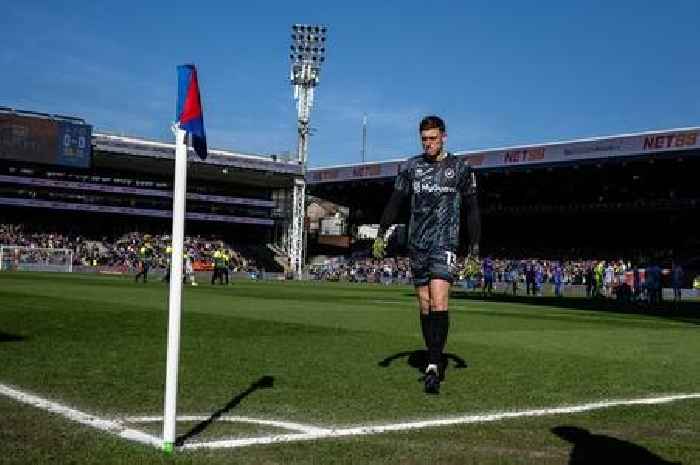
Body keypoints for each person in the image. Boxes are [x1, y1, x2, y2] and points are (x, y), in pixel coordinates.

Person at [373, 115, 481, 394]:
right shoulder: (411, 167)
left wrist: (474, 247)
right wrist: (381, 232)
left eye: (433, 138)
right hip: (416, 243)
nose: (428, 143)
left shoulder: (460, 168)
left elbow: (472, 209)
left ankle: (434, 365)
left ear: (444, 136)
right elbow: (395, 201)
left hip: (445, 242)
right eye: (424, 139)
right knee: (424, 303)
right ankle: (432, 355)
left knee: (439, 299)